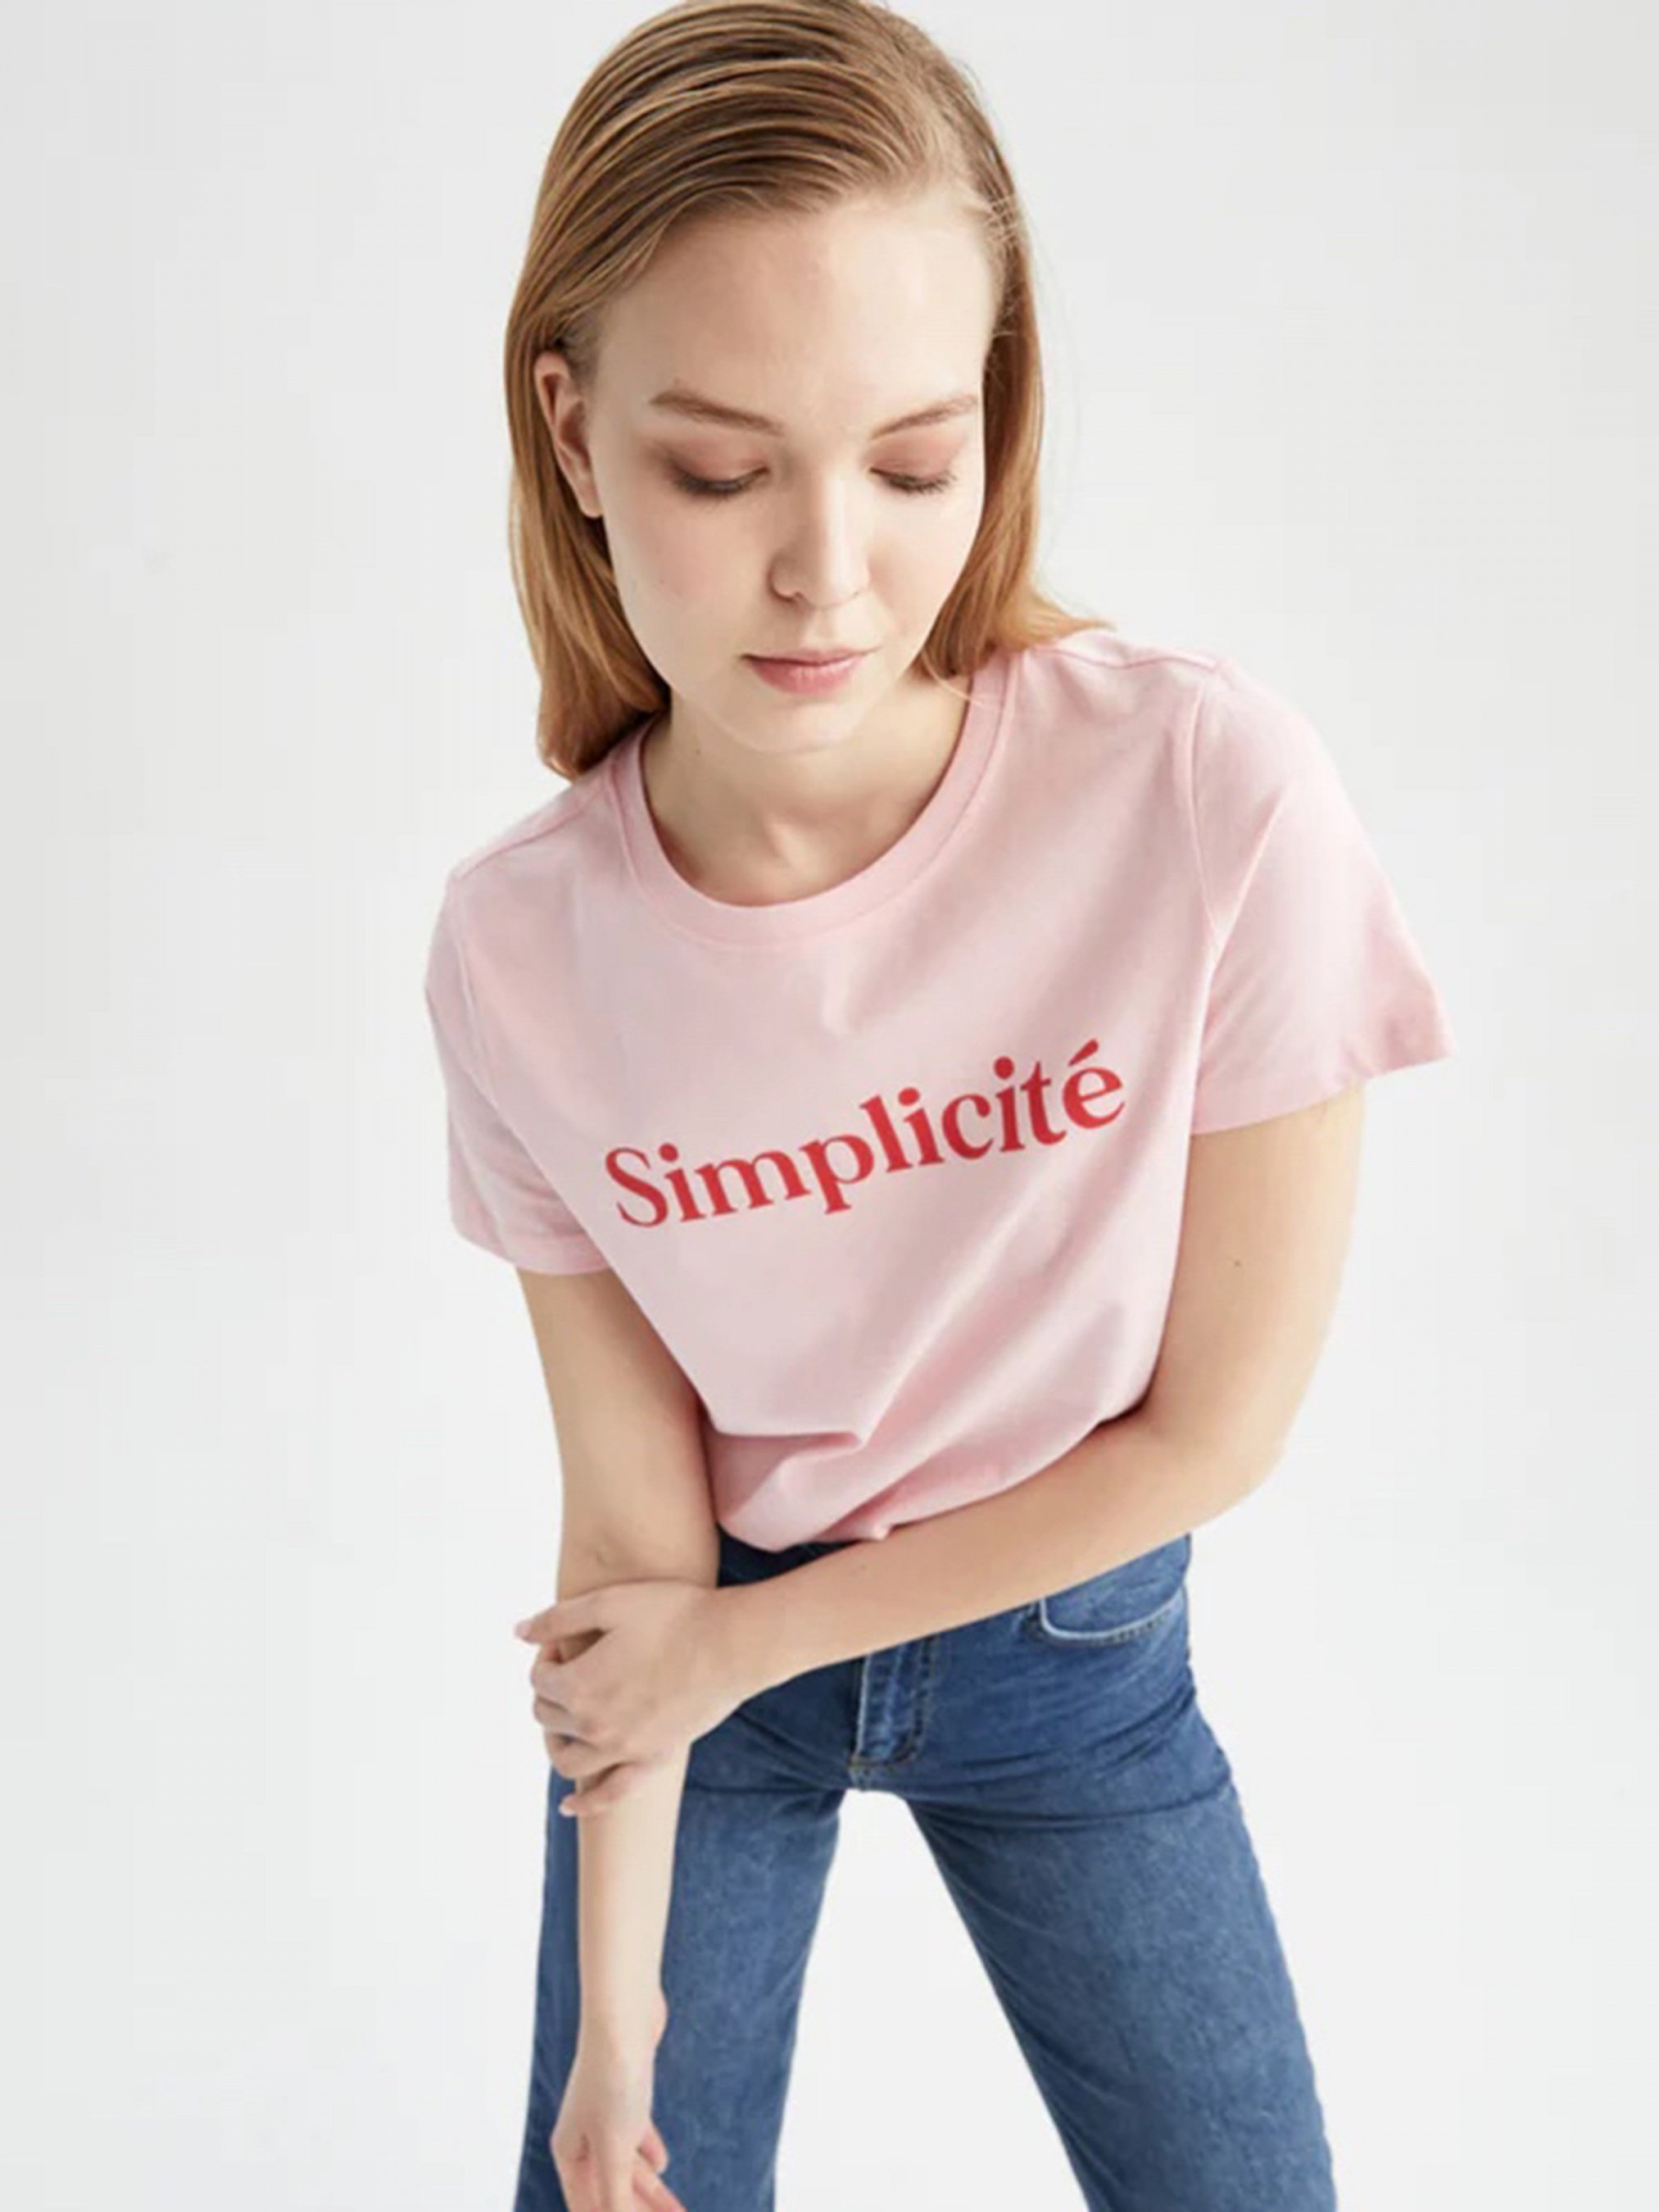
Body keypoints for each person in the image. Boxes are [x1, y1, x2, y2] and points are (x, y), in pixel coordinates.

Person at [421, 3, 1457, 2207]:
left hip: (1072, 1656)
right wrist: (611, 2041)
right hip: (709, 1694)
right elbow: (634, 1555)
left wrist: (742, 1637)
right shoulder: (521, 948)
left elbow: (1210, 1433)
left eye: (911, 462)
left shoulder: (1202, 793)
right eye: (723, 471)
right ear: (575, 431)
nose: (829, 571)